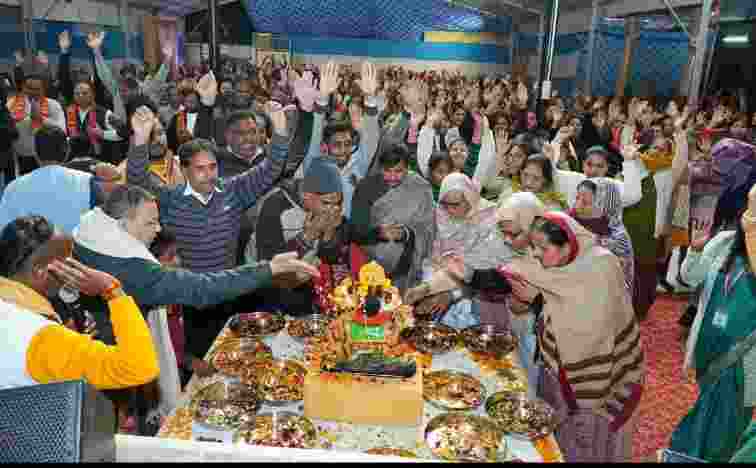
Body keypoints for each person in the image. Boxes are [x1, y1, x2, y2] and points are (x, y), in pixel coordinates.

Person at [459, 212, 642, 462]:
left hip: (596, 383)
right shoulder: (557, 263)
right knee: (558, 441)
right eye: (533, 246)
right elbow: (515, 279)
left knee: (586, 446)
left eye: (542, 248)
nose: (535, 254)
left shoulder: (600, 268)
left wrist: (535, 300)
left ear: (568, 244)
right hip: (558, 371)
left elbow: (589, 337)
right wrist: (467, 275)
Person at [0, 215, 159, 390]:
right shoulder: (43, 339)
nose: (76, 269)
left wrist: (66, 336)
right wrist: (112, 290)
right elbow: (139, 367)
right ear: (40, 271)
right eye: (68, 263)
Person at [669, 184, 756, 462]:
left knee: (729, 427)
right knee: (704, 415)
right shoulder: (724, 242)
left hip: (743, 359)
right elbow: (690, 279)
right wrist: (695, 251)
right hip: (708, 344)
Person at [252, 158, 358, 315]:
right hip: (270, 289)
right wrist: (307, 236)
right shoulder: (274, 207)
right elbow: (269, 265)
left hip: (306, 284)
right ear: (306, 196)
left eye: (337, 203)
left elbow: (330, 257)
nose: (333, 210)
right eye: (326, 203)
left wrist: (328, 233)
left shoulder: (330, 209)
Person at [0, 125, 120, 235]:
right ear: (67, 151)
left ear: (35, 152)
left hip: (30, 251)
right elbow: (105, 225)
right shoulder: (88, 183)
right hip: (76, 249)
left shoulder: (13, 188)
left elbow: (3, 231)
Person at [297, 61, 380, 218]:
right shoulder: (316, 167)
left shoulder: (358, 166)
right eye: (337, 145)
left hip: (348, 230)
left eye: (347, 144)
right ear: (326, 147)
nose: (343, 150)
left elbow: (370, 139)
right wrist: (322, 101)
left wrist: (370, 99)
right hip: (320, 230)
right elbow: (314, 138)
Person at [351, 143, 435, 292]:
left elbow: (428, 228)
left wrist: (405, 234)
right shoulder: (366, 188)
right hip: (371, 264)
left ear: (407, 168)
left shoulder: (420, 187)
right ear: (380, 167)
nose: (392, 177)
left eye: (398, 171)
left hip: (409, 261)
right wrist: (380, 233)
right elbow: (356, 231)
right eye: (387, 171)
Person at [570, 178, 635, 293]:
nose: (578, 205)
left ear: (605, 205)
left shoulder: (618, 237)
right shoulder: (569, 221)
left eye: (585, 202)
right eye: (577, 198)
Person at [5, 71, 66, 174]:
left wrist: (41, 119)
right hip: (21, 156)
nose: (33, 92)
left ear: (43, 89)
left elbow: (62, 129)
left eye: (37, 89)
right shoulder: (11, 104)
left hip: (46, 158)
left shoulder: (53, 105)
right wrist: (24, 120)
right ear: (23, 87)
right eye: (29, 88)